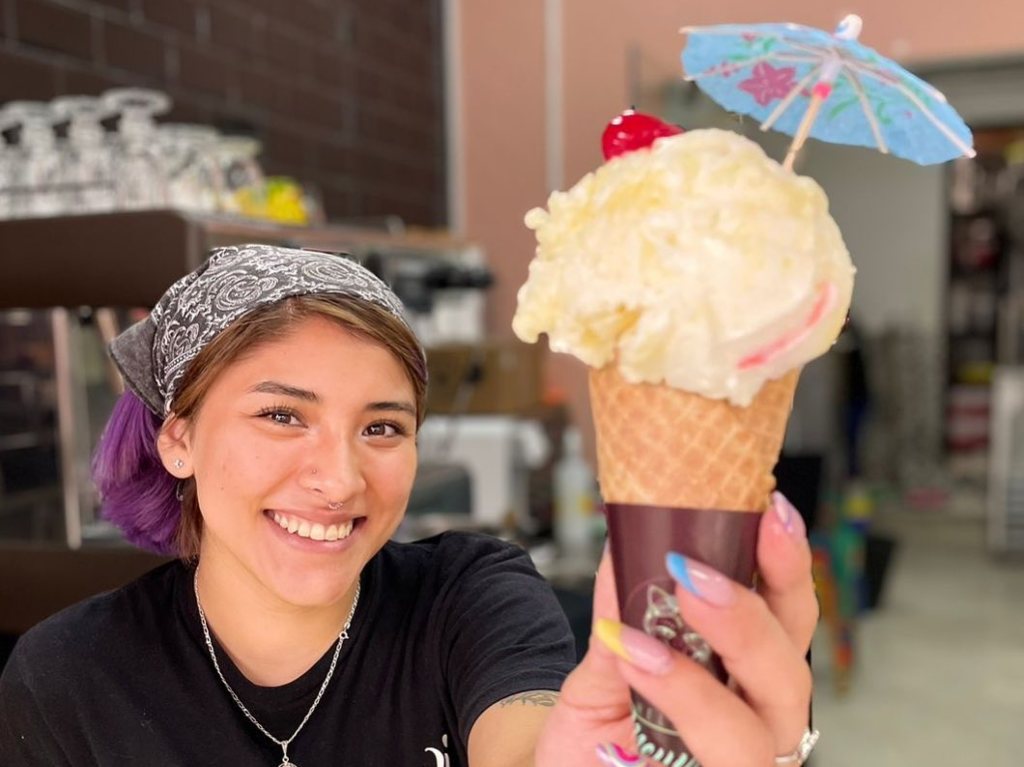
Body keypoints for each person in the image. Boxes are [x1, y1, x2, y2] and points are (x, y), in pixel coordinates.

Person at [0, 244, 818, 766]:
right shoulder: (68, 675)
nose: (341, 477)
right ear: (178, 440)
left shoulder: (467, 596)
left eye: (381, 426)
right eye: (282, 414)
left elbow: (529, 740)